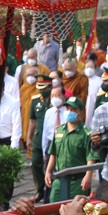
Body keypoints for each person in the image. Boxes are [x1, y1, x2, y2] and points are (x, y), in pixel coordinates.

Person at [44, 97, 92, 203]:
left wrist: (88, 175)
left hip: (78, 181)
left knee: (77, 210)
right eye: (68, 109)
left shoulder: (86, 133)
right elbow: (53, 153)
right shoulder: (59, 130)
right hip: (59, 178)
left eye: (73, 110)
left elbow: (90, 156)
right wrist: (48, 171)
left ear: (80, 112)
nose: (69, 112)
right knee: (53, 205)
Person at [26, 73, 52, 203]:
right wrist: (29, 137)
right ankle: (39, 189)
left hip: (50, 139)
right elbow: (32, 120)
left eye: (44, 87)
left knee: (50, 165)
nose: (42, 90)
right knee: (36, 164)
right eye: (40, 87)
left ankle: (49, 190)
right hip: (38, 137)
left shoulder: (55, 100)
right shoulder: (35, 100)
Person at [39, 84, 68, 166]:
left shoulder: (68, 111)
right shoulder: (49, 112)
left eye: (58, 95)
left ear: (64, 96)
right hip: (51, 144)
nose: (55, 98)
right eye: (53, 95)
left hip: (64, 143)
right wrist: (44, 151)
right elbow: (45, 132)